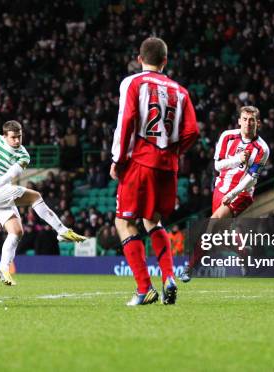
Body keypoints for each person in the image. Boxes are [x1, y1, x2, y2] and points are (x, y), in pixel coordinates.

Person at [110, 37, 199, 306]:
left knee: (123, 222)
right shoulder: (181, 91)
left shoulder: (133, 83)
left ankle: (144, 288)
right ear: (165, 61)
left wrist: (118, 159)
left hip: (140, 162)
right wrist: (173, 152)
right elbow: (193, 131)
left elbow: (126, 121)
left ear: (139, 59)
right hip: (167, 167)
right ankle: (169, 277)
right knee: (153, 221)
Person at [0, 117, 85, 286]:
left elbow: (13, 174)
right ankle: (62, 230)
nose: (17, 140)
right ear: (4, 136)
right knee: (36, 196)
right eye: (13, 137)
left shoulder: (23, 154)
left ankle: (3, 269)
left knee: (17, 232)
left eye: (19, 136)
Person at [181, 106, 270, 282]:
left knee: (212, 224)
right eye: (244, 119)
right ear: (239, 121)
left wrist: (233, 194)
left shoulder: (262, 149)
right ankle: (245, 255)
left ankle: (189, 268)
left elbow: (251, 179)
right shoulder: (227, 136)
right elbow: (217, 166)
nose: (248, 123)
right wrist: (238, 159)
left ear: (258, 123)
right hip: (221, 188)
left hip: (242, 192)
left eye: (251, 120)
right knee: (221, 235)